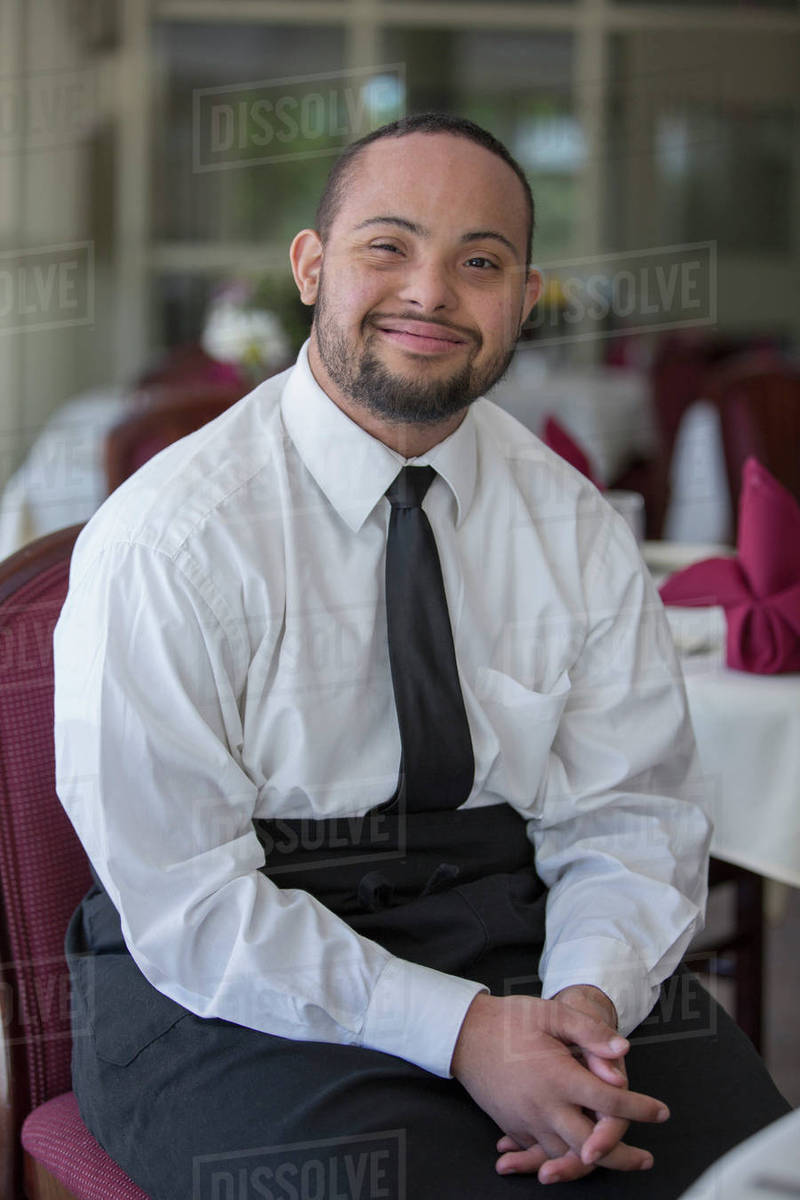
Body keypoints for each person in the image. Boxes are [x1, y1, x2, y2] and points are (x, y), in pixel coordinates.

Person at [54, 113, 788, 1200]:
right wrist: (465, 1034)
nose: (431, 292)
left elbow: (628, 813)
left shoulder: (573, 525)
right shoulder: (170, 540)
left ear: (523, 300)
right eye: (386, 247)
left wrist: (584, 1004)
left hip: (510, 925)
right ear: (311, 268)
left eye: (479, 263)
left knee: (748, 1164)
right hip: (231, 972)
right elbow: (186, 903)